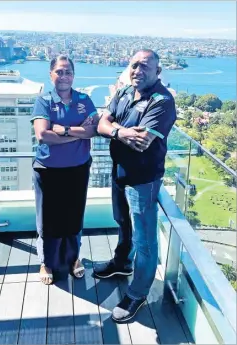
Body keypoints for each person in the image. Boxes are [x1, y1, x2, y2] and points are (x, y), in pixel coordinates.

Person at [96, 49, 176, 322]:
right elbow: (102, 123)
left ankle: (138, 292)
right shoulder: (125, 93)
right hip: (120, 171)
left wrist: (116, 129)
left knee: (144, 239)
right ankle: (121, 263)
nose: (138, 71)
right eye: (134, 65)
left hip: (143, 179)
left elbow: (143, 141)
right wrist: (121, 132)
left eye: (145, 66)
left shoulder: (162, 101)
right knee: (122, 222)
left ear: (157, 72)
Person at [31, 55, 99, 285]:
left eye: (68, 71)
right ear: (51, 74)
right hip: (48, 170)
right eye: (59, 71)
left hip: (78, 169)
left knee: (73, 217)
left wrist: (63, 130)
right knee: (48, 219)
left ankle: (73, 259)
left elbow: (93, 131)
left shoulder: (84, 99)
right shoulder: (43, 101)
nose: (64, 76)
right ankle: (46, 261)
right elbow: (42, 135)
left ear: (73, 75)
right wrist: (77, 131)